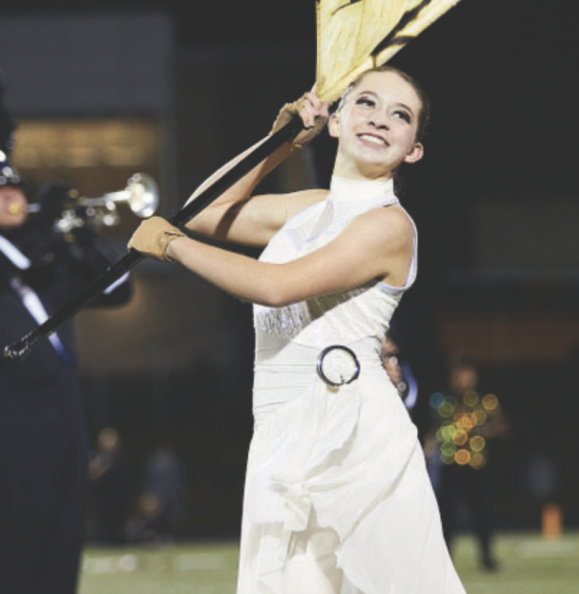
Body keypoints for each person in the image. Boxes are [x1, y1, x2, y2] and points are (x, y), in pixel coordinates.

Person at [129, 66, 466, 593]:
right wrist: (277, 142)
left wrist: (171, 246)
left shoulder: (389, 225)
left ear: (413, 149)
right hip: (283, 430)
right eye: (367, 104)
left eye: (400, 116)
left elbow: (275, 285)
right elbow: (205, 211)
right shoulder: (310, 209)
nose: (380, 120)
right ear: (335, 120)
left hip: (354, 436)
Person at [0, 51, 131, 594]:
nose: (15, 197)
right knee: (15, 542)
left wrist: (81, 235)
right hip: (1, 404)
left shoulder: (43, 250)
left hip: (62, 401)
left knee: (63, 538)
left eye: (17, 188)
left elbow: (118, 289)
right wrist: (42, 227)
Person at [427, 354, 508, 571]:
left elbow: (501, 426)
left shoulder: (485, 402)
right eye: (460, 375)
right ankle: (445, 559)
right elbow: (435, 429)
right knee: (447, 514)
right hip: (450, 463)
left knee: (482, 510)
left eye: (468, 375)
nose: (464, 380)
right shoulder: (442, 400)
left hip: (476, 463)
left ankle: (487, 556)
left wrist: (484, 431)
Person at [88, 427, 129, 545]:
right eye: (105, 439)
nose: (108, 442)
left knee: (116, 527)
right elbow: (91, 475)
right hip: (100, 502)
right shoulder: (95, 458)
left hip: (117, 501)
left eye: (111, 439)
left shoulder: (119, 460)